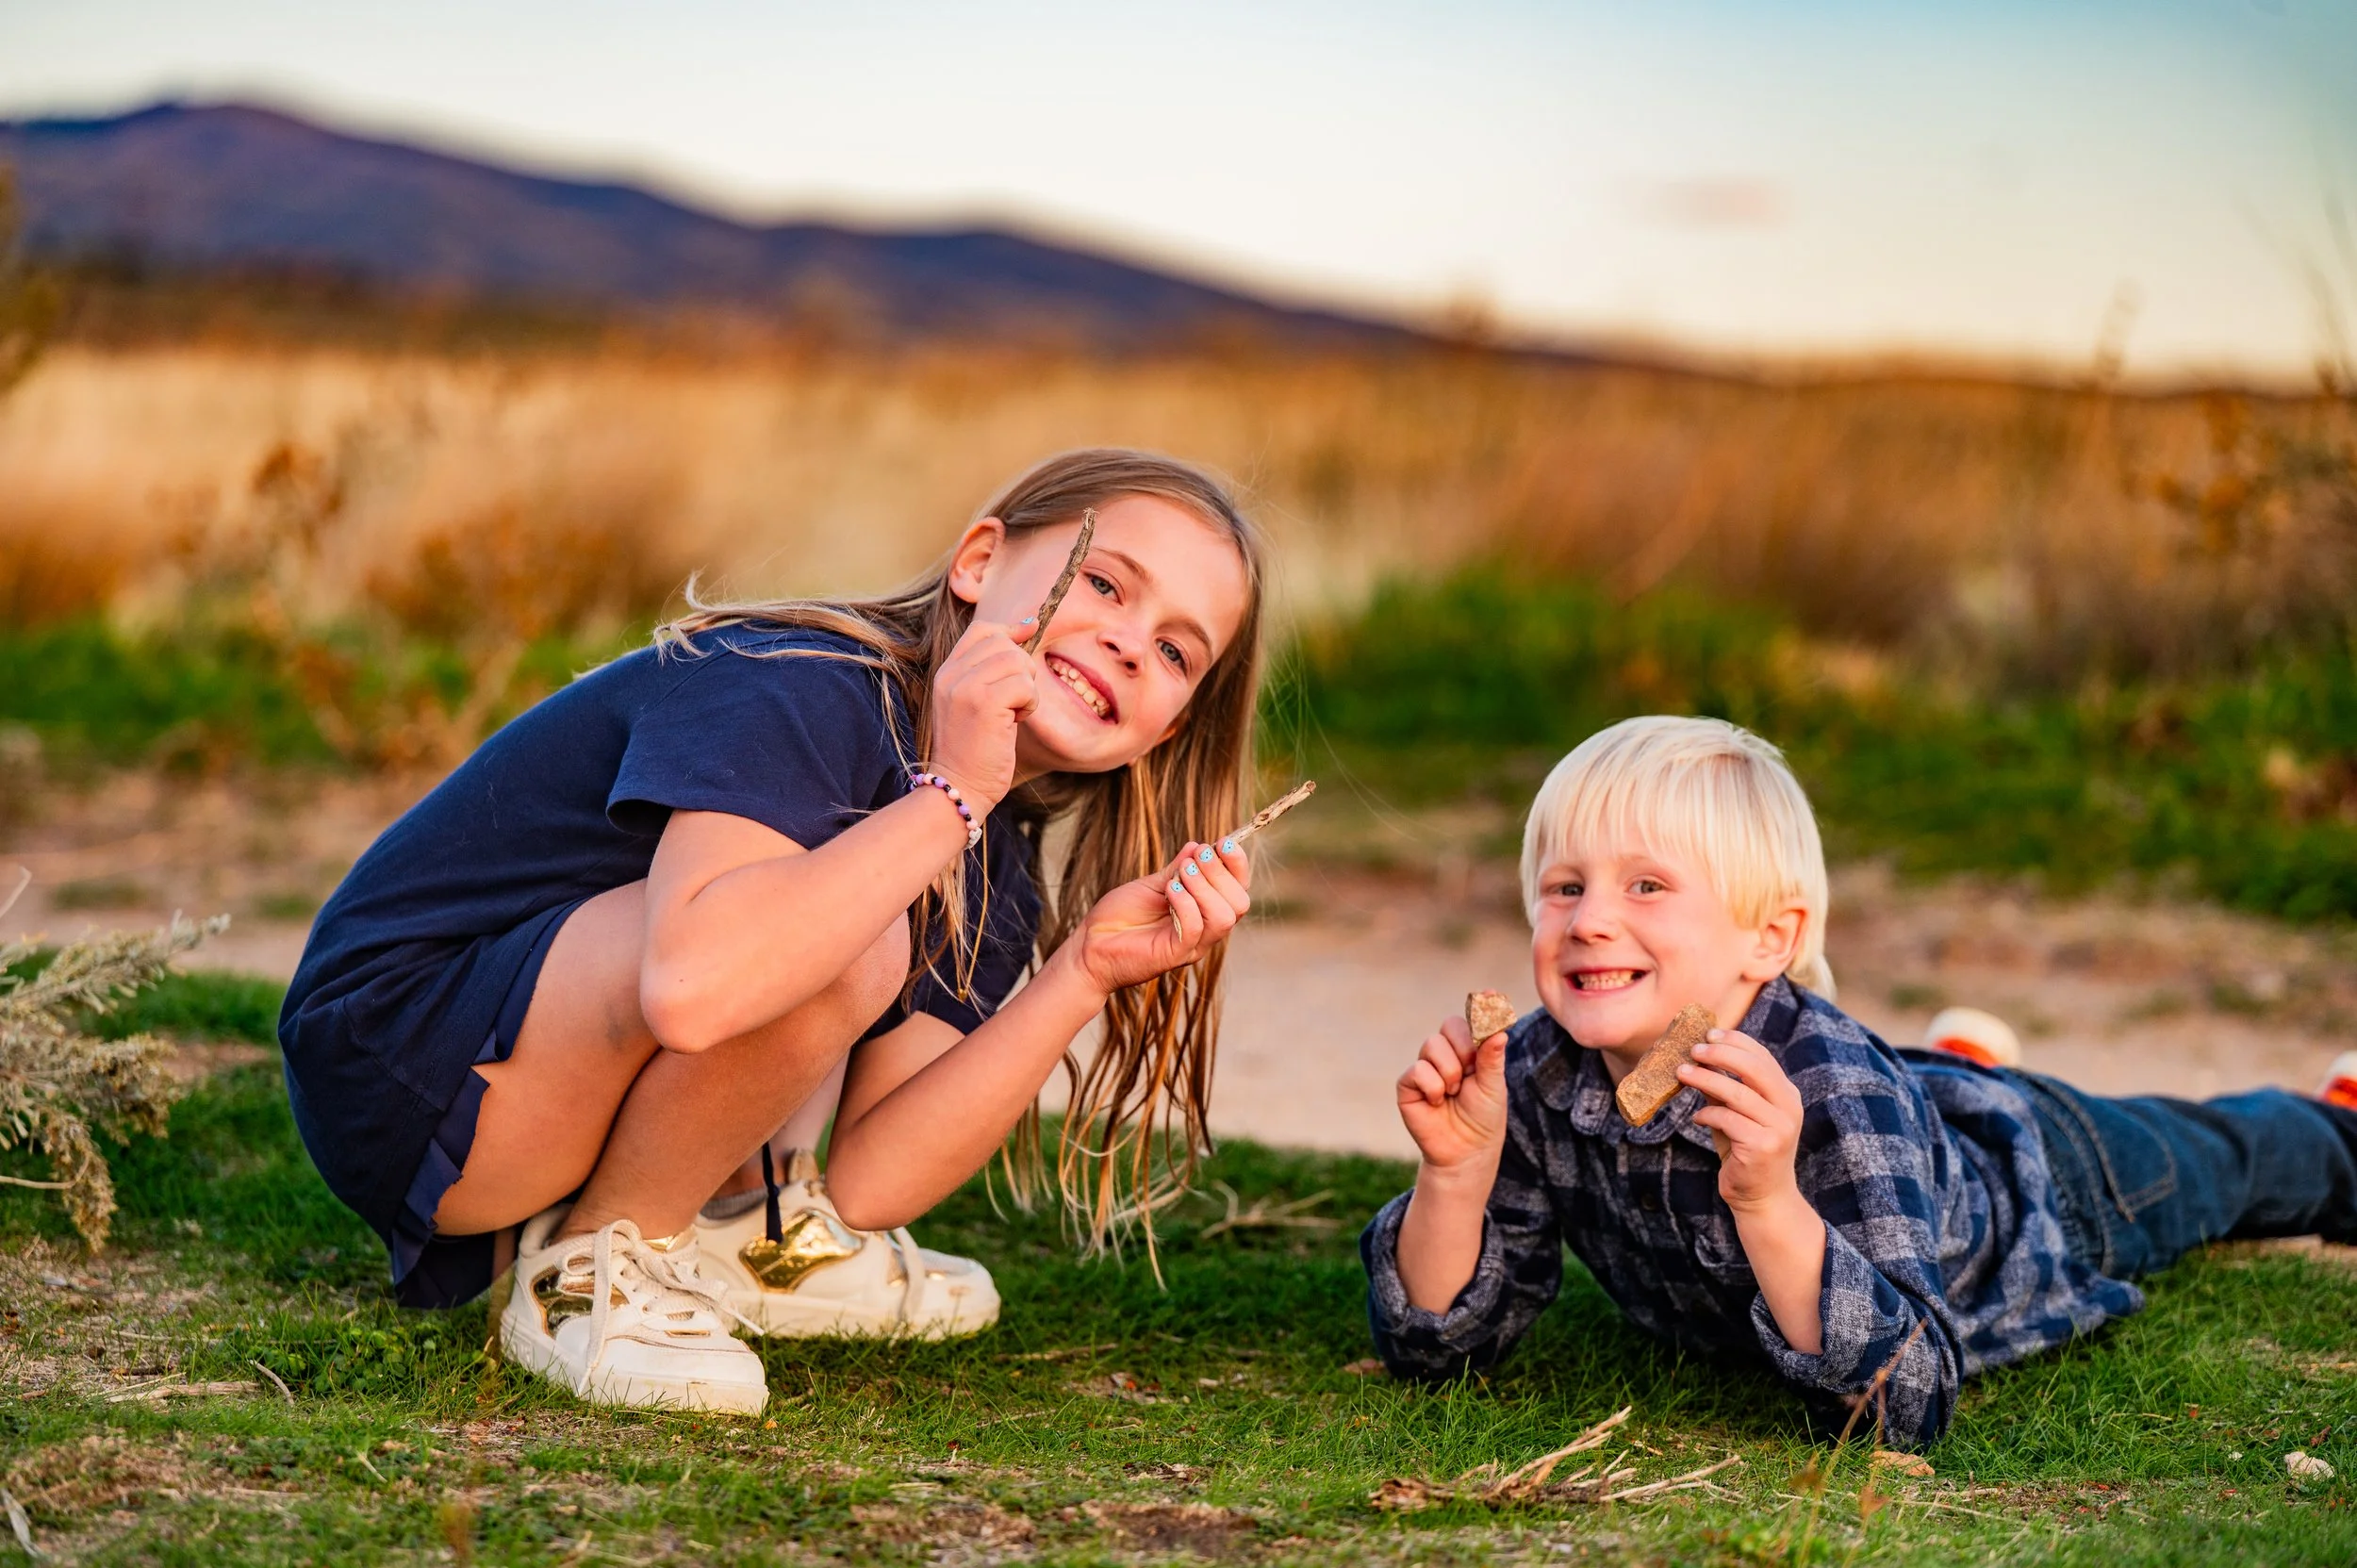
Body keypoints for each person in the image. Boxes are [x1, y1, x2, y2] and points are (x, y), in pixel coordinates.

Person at [279, 448, 1268, 1414]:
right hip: (405, 1065)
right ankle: (594, 1265)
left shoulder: (993, 840)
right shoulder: (796, 679)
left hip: (537, 1084)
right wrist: (952, 794)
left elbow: (876, 1177)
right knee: (841, 934)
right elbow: (693, 984)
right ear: (977, 563)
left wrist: (1084, 969)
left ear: (1170, 725)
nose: (1132, 642)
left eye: (1178, 650)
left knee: (853, 922)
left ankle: (748, 1226)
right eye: (1103, 582)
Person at [1362, 716, 2357, 1447]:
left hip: (2043, 1176)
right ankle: (1954, 1065)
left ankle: (2335, 1123)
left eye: (1647, 885)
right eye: (1563, 886)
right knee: (1915, 1106)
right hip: (1909, 1116)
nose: (1587, 919)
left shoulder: (1834, 1093)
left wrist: (1767, 1200)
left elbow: (1906, 1397)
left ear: (1771, 939)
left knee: (2227, 1164)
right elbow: (1439, 1349)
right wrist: (1455, 1175)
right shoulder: (1533, 1070)